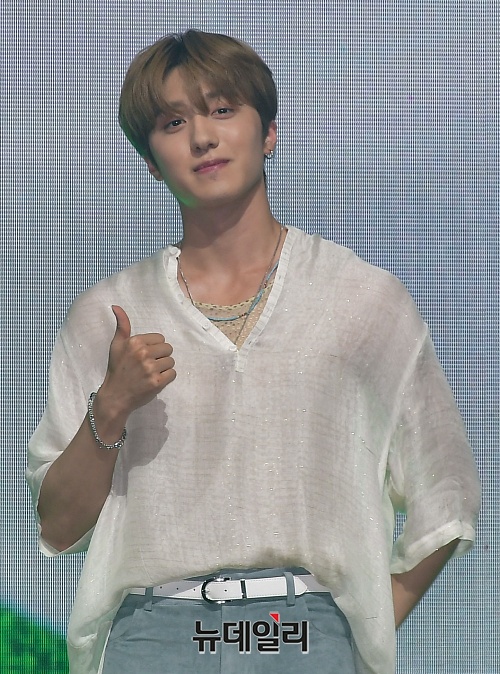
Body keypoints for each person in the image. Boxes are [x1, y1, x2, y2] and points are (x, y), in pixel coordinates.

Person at [26, 29, 480, 674]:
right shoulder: (108, 315)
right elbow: (58, 527)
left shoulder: (362, 298)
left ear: (268, 133)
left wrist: (360, 625)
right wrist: (113, 404)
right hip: (155, 637)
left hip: (304, 632)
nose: (201, 137)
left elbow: (447, 490)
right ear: (151, 161)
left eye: (222, 109)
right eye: (172, 122)